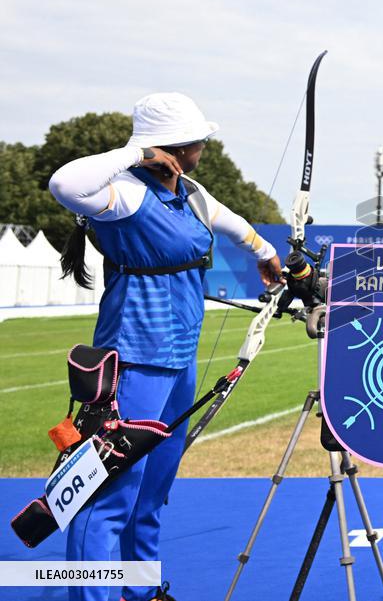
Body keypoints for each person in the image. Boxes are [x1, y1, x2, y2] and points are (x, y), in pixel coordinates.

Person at [49, 92, 283, 601]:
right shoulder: (126, 192)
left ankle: (141, 590)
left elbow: (231, 221)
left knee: (153, 487)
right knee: (111, 493)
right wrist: (136, 153)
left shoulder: (190, 191)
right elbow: (64, 183)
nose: (204, 146)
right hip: (133, 358)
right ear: (171, 147)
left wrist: (265, 252)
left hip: (178, 360)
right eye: (197, 140)